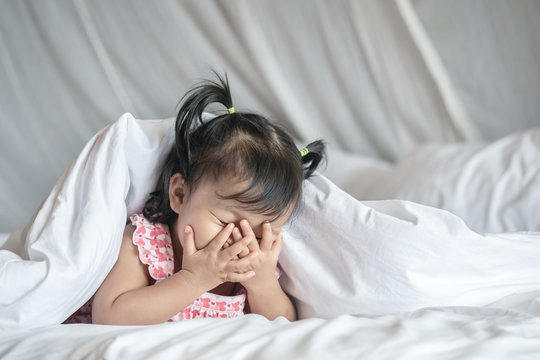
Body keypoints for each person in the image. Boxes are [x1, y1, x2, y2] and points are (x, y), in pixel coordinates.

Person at [64, 73, 325, 325]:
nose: (240, 242)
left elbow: (285, 325)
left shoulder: (251, 269)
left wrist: (263, 283)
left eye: (259, 236)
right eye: (224, 223)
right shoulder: (146, 245)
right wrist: (193, 279)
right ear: (179, 194)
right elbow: (108, 318)